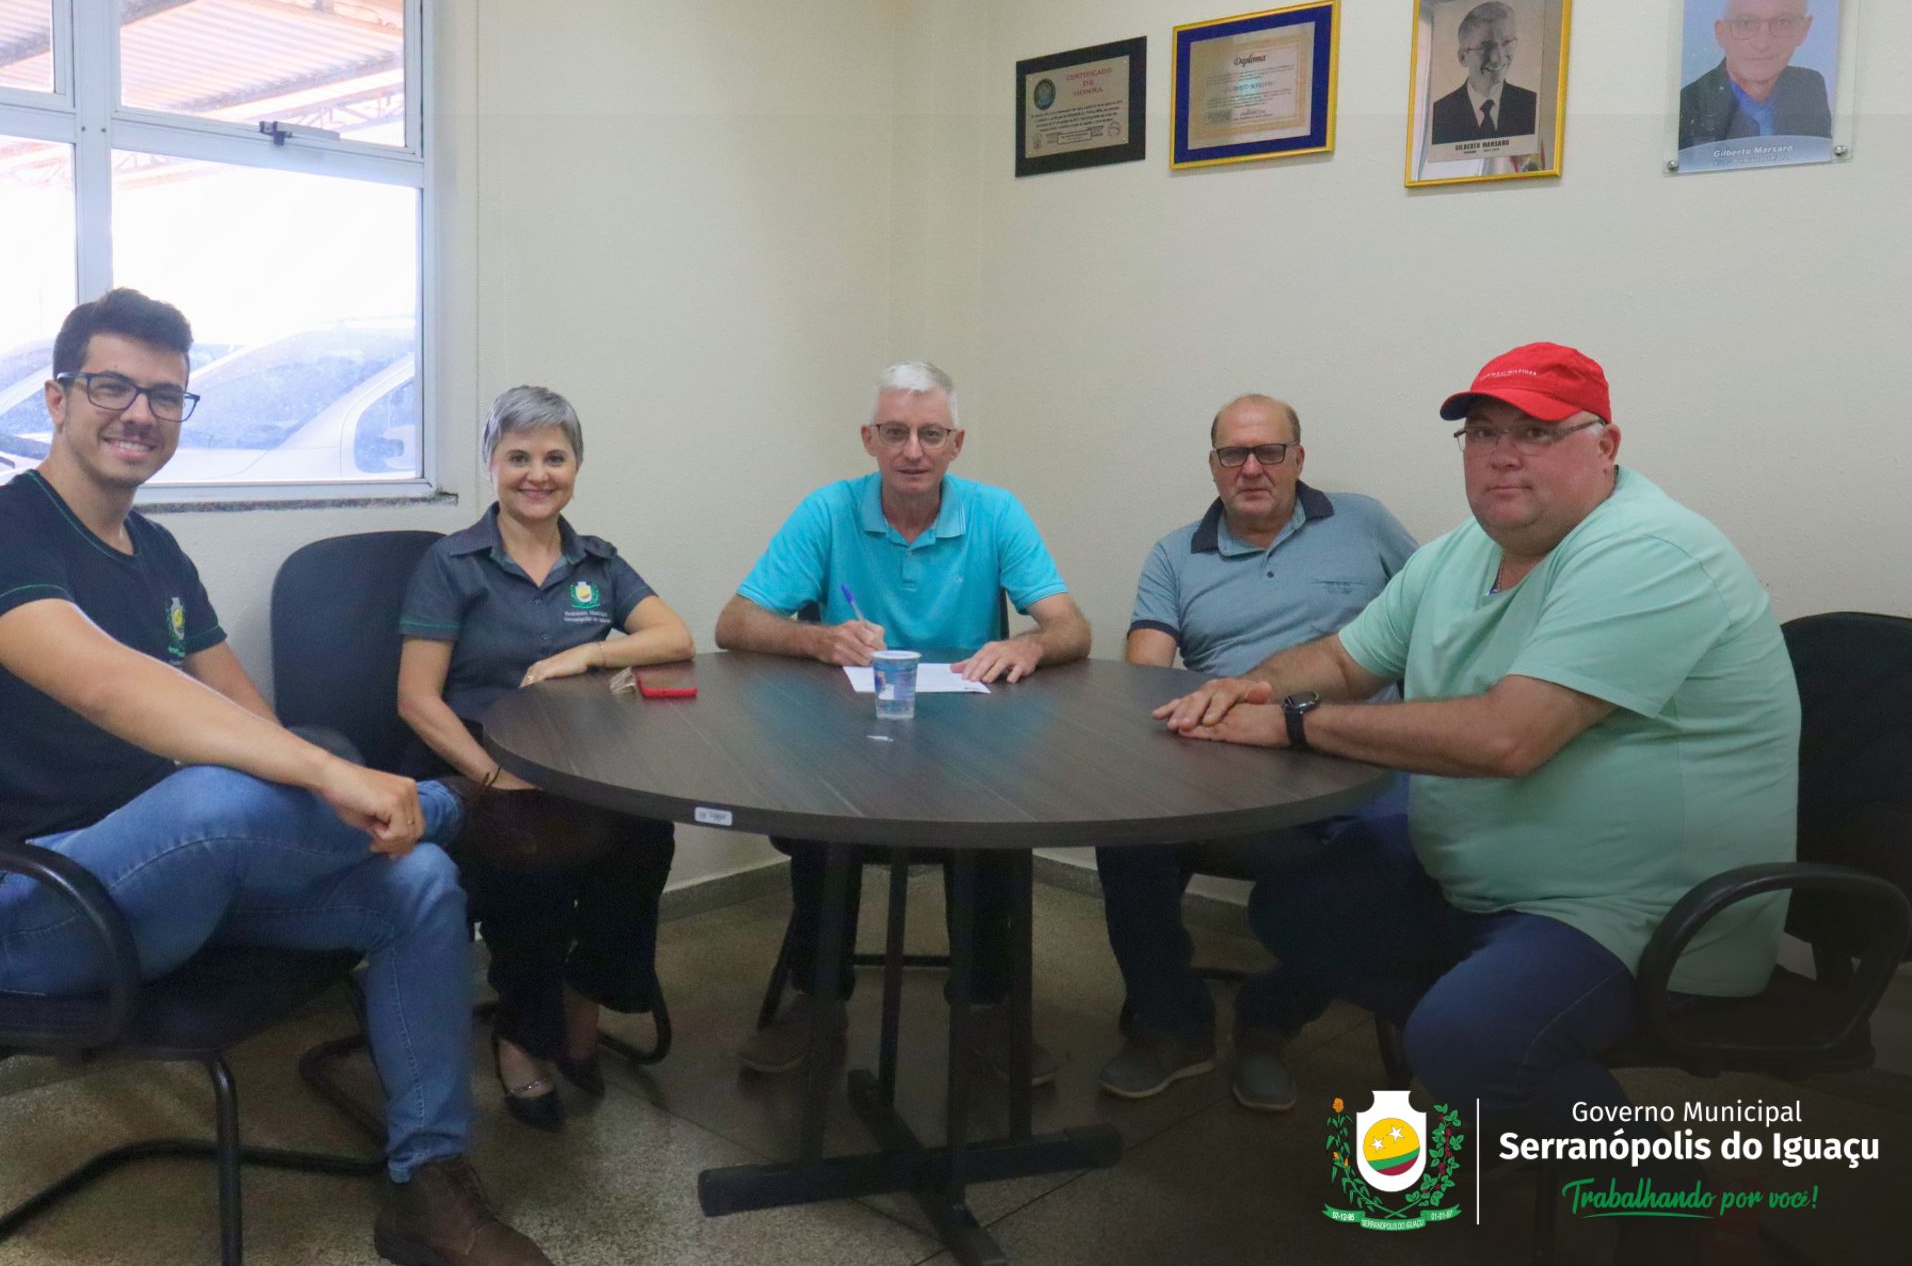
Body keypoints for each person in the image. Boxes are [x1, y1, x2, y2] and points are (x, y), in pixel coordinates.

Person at [0, 291, 555, 1265]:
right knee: (226, 789)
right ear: (57, 397)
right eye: (112, 386)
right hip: (26, 908)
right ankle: (463, 805)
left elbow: (248, 720)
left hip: (162, 879)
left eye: (165, 396)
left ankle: (427, 1184)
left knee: (414, 880)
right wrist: (346, 780)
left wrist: (327, 772)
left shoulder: (159, 555)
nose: (140, 413)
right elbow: (110, 686)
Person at [1151, 342, 1798, 1146]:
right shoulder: (1463, 550)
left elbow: (1506, 736)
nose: (1503, 455)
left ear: (1605, 446)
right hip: (1483, 880)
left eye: (1536, 433)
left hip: (1629, 912)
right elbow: (1345, 659)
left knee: (1470, 1039)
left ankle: (1664, 1194)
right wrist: (1246, 689)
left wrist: (1293, 721)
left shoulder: (1649, 550)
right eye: (1484, 433)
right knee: (1298, 909)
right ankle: (1506, 1096)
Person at [714, 360, 1091, 1081]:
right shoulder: (829, 510)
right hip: (845, 738)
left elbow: (1072, 626)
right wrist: (817, 639)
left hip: (971, 744)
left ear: (957, 443)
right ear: (869, 439)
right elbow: (735, 622)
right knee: (822, 821)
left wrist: (1029, 644)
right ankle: (818, 1000)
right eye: (895, 432)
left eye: (931, 434)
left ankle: (985, 1005)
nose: (912, 450)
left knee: (992, 825)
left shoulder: (995, 512)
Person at [1095, 394, 1415, 1104]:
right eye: (1233, 453)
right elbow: (1146, 672)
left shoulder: (1364, 523)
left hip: (1360, 763)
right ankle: (1173, 1024)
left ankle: (1270, 1020)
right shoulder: (1175, 553)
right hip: (1231, 770)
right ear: (1212, 465)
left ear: (1298, 459)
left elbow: (1439, 618)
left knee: (1402, 856)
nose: (1251, 468)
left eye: (1270, 452)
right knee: (1127, 837)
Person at [397, 386, 694, 1130]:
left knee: (645, 835)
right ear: (491, 465)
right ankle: (523, 1036)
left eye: (555, 457)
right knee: (529, 860)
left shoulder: (597, 563)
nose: (538, 474)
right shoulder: (451, 563)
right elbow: (417, 700)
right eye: (519, 457)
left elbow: (675, 637)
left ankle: (582, 1001)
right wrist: (494, 777)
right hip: (476, 758)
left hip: (575, 761)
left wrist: (590, 652)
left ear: (577, 466)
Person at [1680, 0, 1831, 148]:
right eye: (1746, 23)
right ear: (1721, 32)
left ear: (1803, 30)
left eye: (1783, 22)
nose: (1762, 43)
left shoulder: (1809, 86)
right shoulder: (1690, 104)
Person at [1429, 0, 1538, 144]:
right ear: (1463, 57)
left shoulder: (1532, 105)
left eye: (1507, 43)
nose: (1498, 57)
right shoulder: (1439, 114)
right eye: (1485, 47)